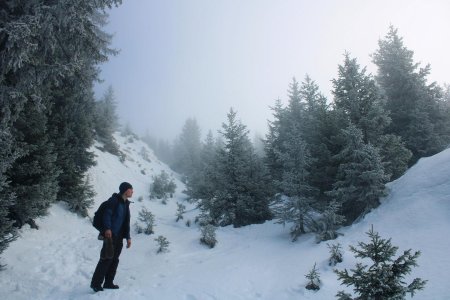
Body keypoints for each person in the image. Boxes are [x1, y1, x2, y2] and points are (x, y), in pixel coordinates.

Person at [90, 182, 133, 292]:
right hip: (110, 235)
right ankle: (96, 284)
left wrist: (128, 237)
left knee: (114, 260)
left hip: (119, 237)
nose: (132, 191)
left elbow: (126, 223)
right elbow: (107, 215)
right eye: (131, 189)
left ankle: (108, 282)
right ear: (125, 190)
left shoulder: (126, 204)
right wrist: (107, 228)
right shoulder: (114, 201)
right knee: (106, 259)